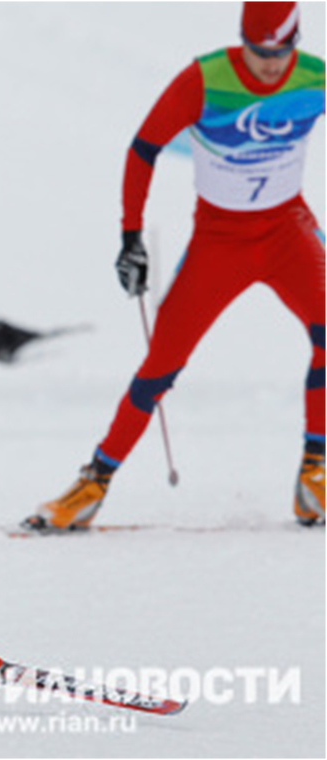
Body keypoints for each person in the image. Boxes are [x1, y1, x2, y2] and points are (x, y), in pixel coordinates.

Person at [25, 0, 327, 531]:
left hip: (288, 232)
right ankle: (92, 483)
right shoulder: (205, 78)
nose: (270, 66)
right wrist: (131, 238)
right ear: (243, 41)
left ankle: (315, 476)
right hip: (220, 243)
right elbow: (143, 149)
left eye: (280, 54)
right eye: (259, 53)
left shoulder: (313, 78)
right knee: (160, 366)